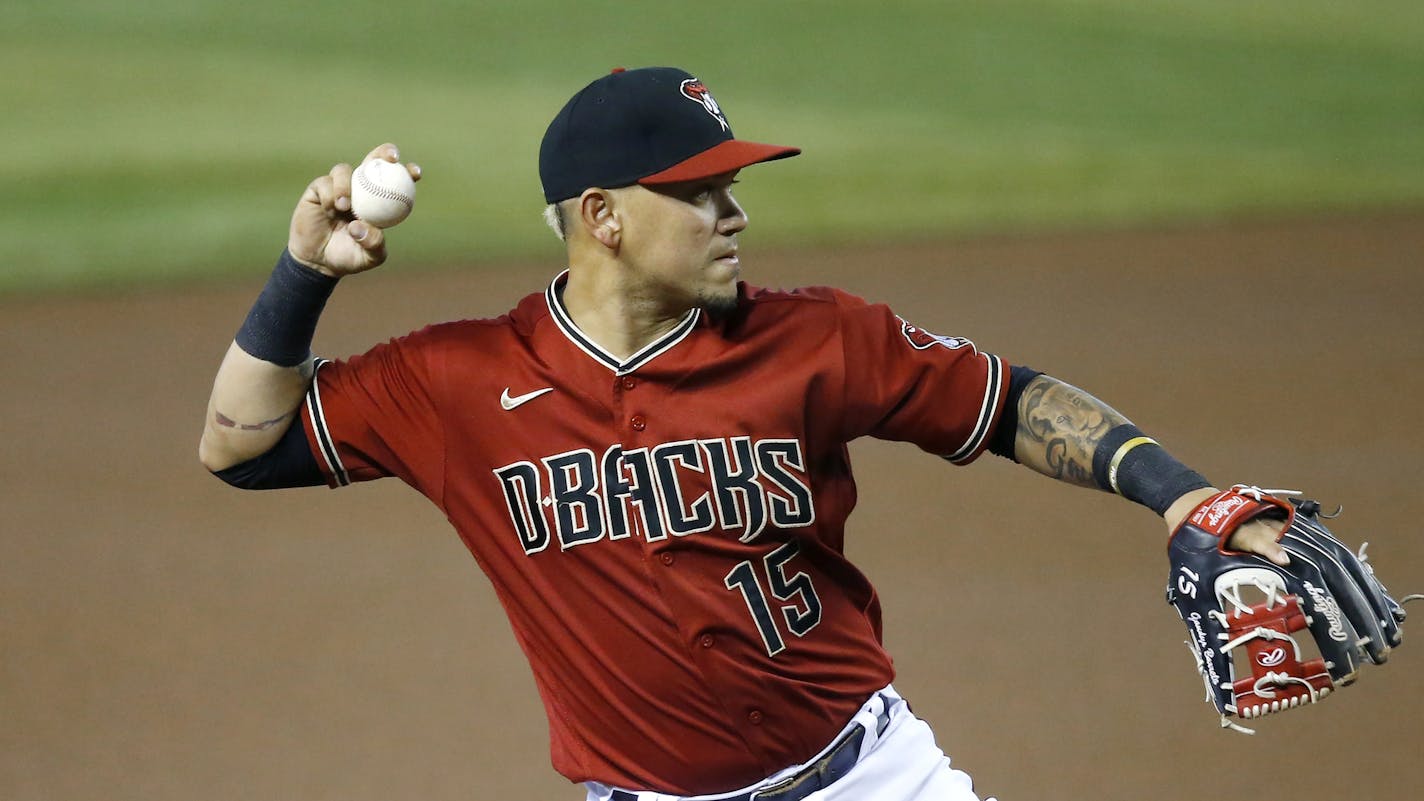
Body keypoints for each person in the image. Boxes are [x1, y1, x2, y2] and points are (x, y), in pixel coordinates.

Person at [199, 66, 1290, 801]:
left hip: (872, 777)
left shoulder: (814, 338)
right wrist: (305, 274)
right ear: (602, 217)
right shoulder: (458, 381)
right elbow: (238, 446)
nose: (734, 216)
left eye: (731, 189)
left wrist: (1178, 492)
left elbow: (1004, 401)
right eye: (702, 194)